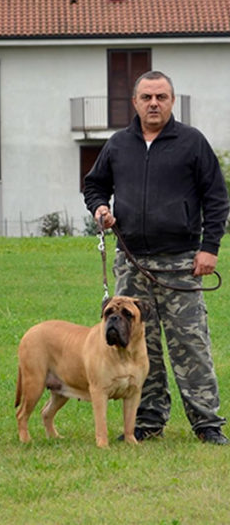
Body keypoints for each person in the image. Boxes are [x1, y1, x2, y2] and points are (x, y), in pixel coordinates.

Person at [84, 70, 229, 445]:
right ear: (135, 102)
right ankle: (147, 422)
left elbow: (216, 198)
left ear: (172, 101)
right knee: (136, 346)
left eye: (161, 97)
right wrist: (101, 209)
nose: (153, 103)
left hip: (181, 262)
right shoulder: (118, 144)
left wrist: (209, 247)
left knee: (190, 344)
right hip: (131, 263)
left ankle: (207, 423)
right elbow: (94, 184)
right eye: (146, 97)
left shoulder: (192, 143)